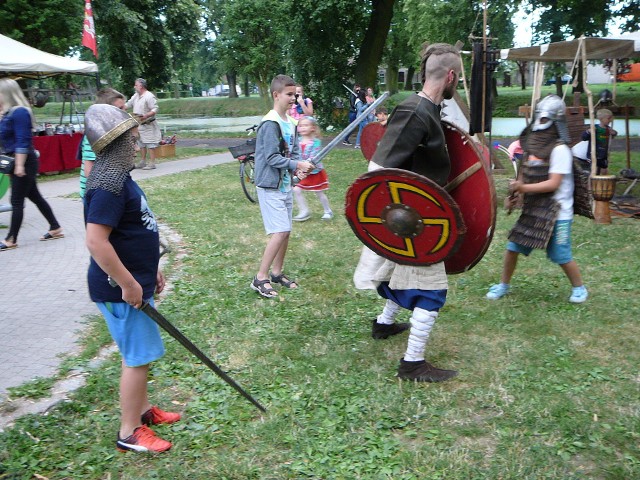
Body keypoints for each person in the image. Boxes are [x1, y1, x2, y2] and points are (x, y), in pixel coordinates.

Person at [359, 43, 463, 382]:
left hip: (416, 216)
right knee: (431, 289)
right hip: (412, 221)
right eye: (458, 77)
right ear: (450, 76)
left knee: (397, 272)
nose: (457, 83)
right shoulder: (415, 111)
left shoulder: (429, 110)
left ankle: (384, 324)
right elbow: (377, 171)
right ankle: (412, 364)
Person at [83, 103, 180, 453]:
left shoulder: (120, 178)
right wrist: (127, 283)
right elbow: (96, 241)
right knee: (136, 357)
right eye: (132, 140)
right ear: (115, 145)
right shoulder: (107, 185)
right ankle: (129, 431)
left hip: (135, 281)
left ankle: (142, 411)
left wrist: (151, 267)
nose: (137, 145)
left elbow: (136, 229)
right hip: (119, 290)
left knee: (140, 354)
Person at [486, 94, 588, 305]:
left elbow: (553, 184)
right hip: (534, 209)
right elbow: (523, 175)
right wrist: (515, 196)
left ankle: (579, 288)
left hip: (557, 212)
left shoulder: (560, 150)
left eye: (545, 120)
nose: (540, 126)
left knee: (560, 254)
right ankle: (504, 285)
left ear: (556, 122)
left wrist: (523, 187)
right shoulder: (530, 148)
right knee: (513, 247)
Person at [250, 75, 313, 298]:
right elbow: (271, 157)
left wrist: (298, 168)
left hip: (285, 184)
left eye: (295, 95)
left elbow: (293, 151)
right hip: (269, 185)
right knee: (280, 231)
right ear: (276, 95)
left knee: (286, 232)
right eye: (289, 94)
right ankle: (260, 277)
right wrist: (296, 164)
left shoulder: (291, 122)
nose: (293, 99)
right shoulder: (270, 123)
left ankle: (277, 273)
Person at [0, 78, 63, 251]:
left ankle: (11, 239)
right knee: (35, 196)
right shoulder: (8, 113)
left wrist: (19, 166)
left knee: (16, 200)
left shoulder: (20, 112)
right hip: (15, 160)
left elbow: (22, 140)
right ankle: (55, 227)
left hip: (23, 161)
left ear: (6, 93)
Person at [79, 88, 127, 198]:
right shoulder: (95, 134)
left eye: (124, 107)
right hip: (97, 192)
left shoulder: (113, 130)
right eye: (120, 108)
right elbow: (89, 170)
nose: (124, 111)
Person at [292, 116, 334, 221]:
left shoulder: (316, 142)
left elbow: (314, 156)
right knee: (296, 190)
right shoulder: (297, 141)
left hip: (314, 172)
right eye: (300, 126)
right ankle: (304, 211)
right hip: (302, 172)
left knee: (319, 192)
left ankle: (328, 211)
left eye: (306, 125)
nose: (303, 128)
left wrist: (305, 165)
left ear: (313, 128)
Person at [125, 78, 161, 170]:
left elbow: (155, 109)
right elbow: (128, 104)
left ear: (141, 86)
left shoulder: (149, 96)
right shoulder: (136, 96)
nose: (134, 86)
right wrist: (119, 107)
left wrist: (146, 115)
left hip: (148, 123)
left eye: (136, 85)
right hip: (138, 124)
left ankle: (152, 163)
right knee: (141, 143)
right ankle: (143, 161)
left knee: (150, 143)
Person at [581, 108, 617, 175]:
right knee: (594, 172)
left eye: (611, 118)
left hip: (603, 155)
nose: (611, 120)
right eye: (608, 118)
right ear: (601, 119)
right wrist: (588, 132)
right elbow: (583, 138)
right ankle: (591, 184)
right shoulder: (595, 128)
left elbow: (614, 133)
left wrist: (614, 133)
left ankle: (603, 183)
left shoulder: (608, 129)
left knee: (604, 170)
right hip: (594, 154)